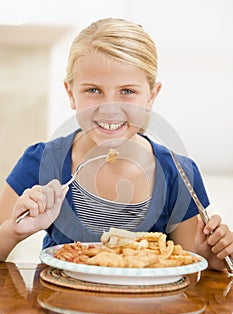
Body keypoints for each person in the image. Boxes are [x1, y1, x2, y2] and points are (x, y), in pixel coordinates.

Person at [0, 18, 232, 271]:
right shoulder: (41, 161)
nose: (110, 108)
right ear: (70, 93)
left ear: (151, 96)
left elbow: (189, 268)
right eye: (93, 90)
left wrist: (213, 257)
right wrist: (14, 230)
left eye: (127, 91)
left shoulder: (178, 173)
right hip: (58, 307)